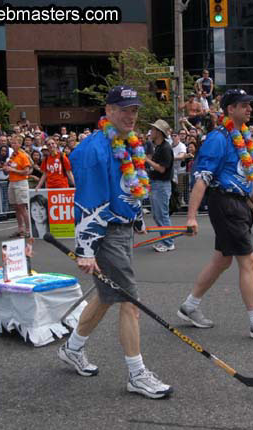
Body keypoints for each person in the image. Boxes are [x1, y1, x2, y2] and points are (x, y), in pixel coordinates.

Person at [59, 85, 172, 399]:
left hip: (121, 230)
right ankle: (137, 374)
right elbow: (88, 200)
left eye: (135, 110)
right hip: (104, 233)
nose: (130, 115)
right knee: (129, 302)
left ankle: (73, 348)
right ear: (107, 111)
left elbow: (126, 186)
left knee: (107, 296)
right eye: (124, 109)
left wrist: (136, 216)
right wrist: (85, 249)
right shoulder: (91, 151)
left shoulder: (130, 144)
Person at [178, 88, 253, 342]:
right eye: (244, 105)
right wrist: (191, 216)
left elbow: (249, 178)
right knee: (248, 260)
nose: (250, 109)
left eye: (250, 105)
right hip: (224, 202)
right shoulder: (218, 138)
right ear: (230, 109)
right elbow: (202, 179)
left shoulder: (243, 137)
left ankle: (189, 306)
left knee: (222, 259)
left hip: (241, 203)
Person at [146, 119, 175, 252]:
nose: (151, 132)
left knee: (162, 215)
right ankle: (165, 240)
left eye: (153, 129)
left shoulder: (165, 148)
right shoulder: (158, 147)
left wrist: (146, 160)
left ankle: (169, 242)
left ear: (159, 132)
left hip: (162, 185)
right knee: (157, 215)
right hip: (156, 184)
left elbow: (162, 169)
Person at [4, 134, 32, 238]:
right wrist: (6, 168)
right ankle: (20, 229)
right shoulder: (12, 156)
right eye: (12, 142)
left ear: (20, 144)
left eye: (15, 142)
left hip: (21, 183)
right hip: (12, 181)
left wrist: (13, 170)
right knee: (16, 207)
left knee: (22, 207)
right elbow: (8, 169)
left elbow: (26, 171)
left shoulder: (23, 155)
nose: (13, 144)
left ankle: (28, 229)